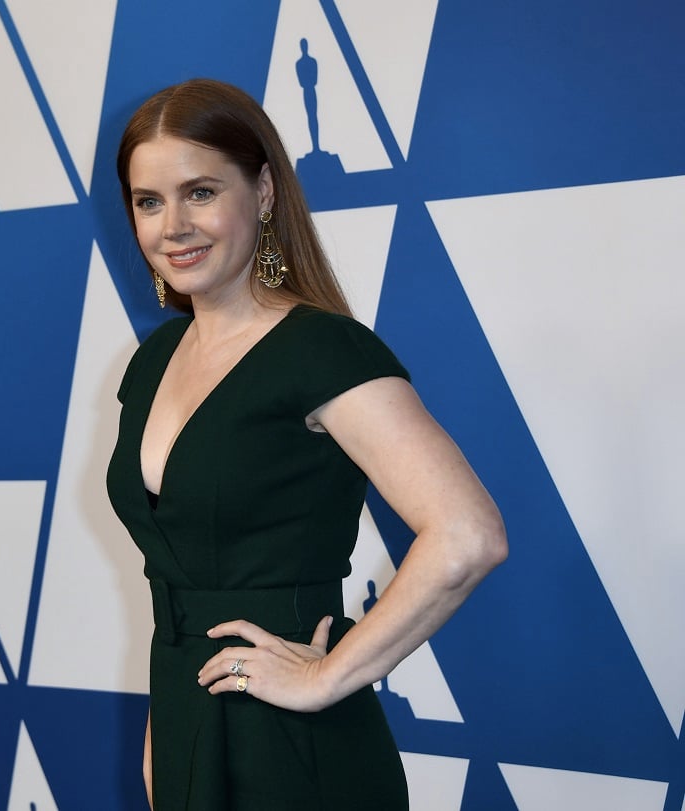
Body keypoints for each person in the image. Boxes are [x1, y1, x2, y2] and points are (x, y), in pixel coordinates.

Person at [105, 78, 507, 809]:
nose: (173, 227)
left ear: (262, 193)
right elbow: (183, 577)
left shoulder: (322, 352)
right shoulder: (152, 364)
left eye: (200, 192)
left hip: (295, 747)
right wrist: (168, 726)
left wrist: (327, 675)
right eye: (149, 201)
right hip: (189, 720)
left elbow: (468, 534)